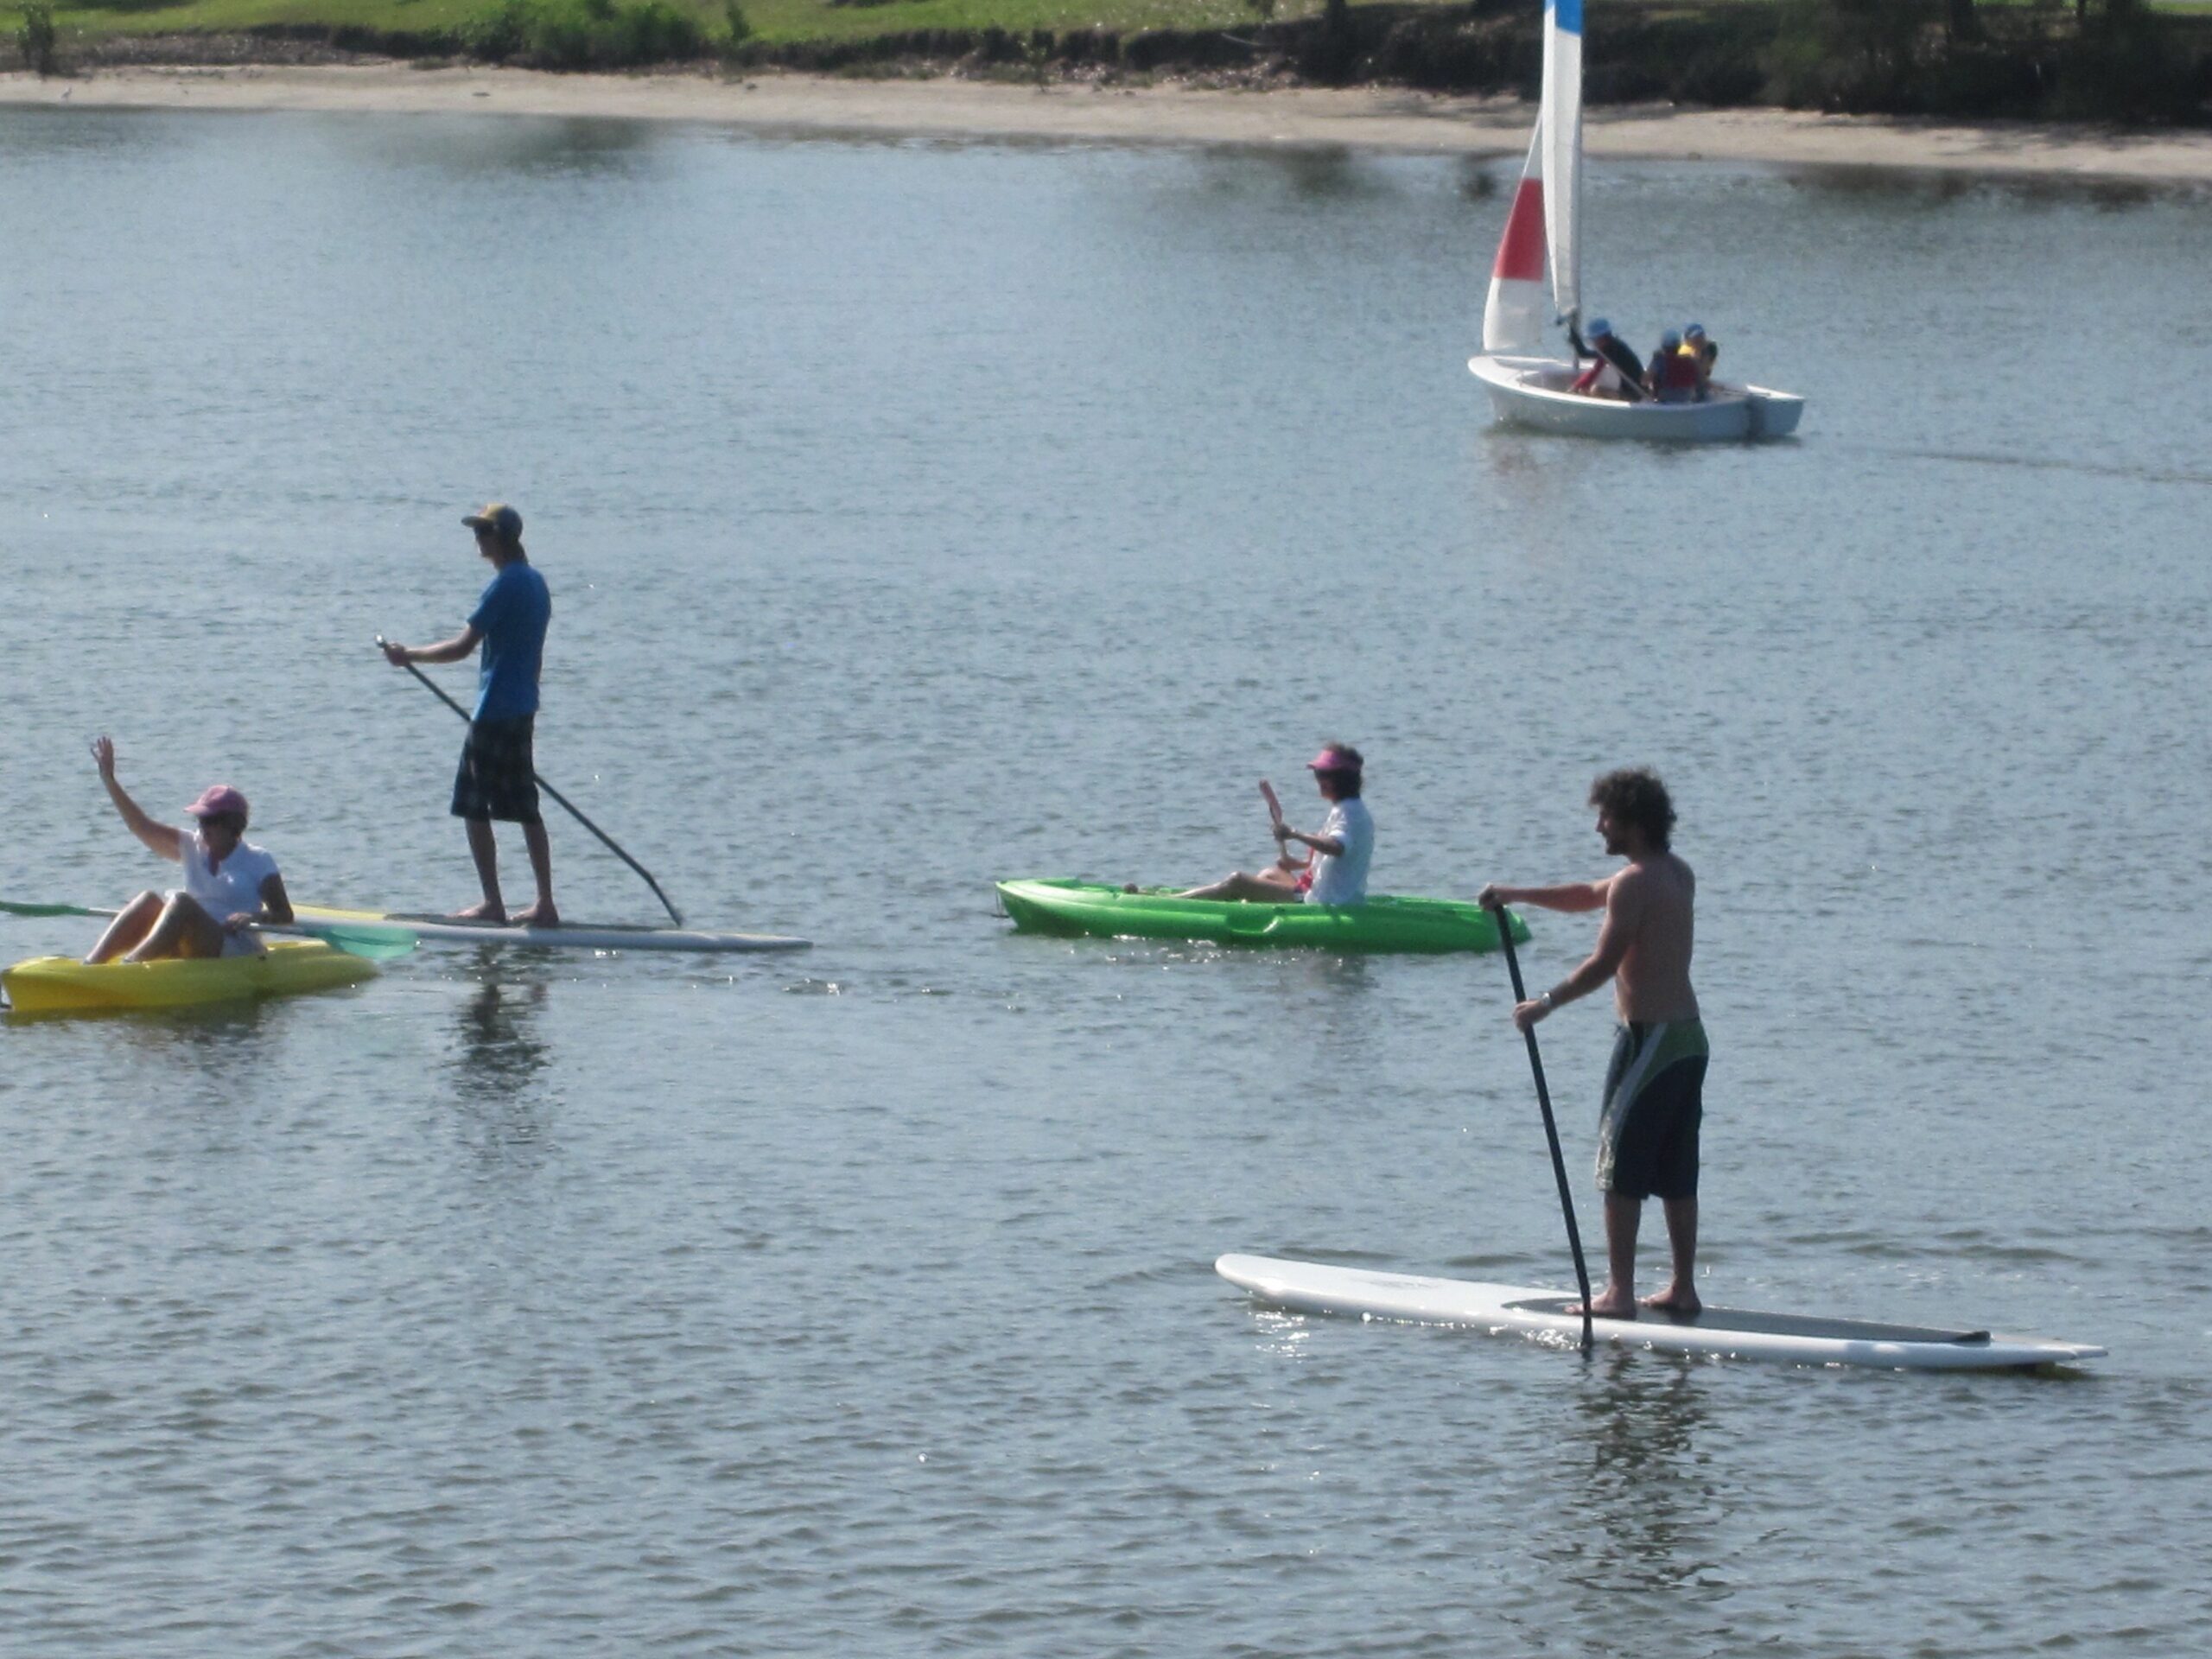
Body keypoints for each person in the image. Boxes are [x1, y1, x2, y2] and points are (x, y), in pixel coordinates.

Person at [1478, 767, 1706, 1320]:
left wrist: (1545, 1004)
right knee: (1676, 1169)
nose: (1599, 827)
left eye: (1605, 817)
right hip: (1689, 1040)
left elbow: (1605, 963)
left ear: (1631, 821)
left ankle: (1618, 1295)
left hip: (1649, 1042)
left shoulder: (1634, 883)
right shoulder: (1674, 872)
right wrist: (1516, 895)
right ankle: (1682, 1288)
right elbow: (1586, 895)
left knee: (1619, 1166)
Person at [383, 502, 559, 926]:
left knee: (473, 805)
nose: (477, 539)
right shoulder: (536, 584)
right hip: (522, 708)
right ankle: (545, 903)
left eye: (482, 531)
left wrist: (410, 656)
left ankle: (493, 904)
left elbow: (462, 648)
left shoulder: (505, 586)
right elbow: (533, 658)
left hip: (496, 709)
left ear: (501, 536)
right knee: (525, 806)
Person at [84, 736, 294, 963]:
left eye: (208, 820)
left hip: (235, 946)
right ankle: (91, 965)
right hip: (193, 939)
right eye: (199, 819)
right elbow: (140, 826)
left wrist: (253, 916)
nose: (202, 827)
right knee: (148, 901)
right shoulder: (191, 845)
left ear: (232, 824)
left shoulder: (258, 860)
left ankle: (131, 965)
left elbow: (284, 914)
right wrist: (109, 781)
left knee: (181, 903)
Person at [1177, 744, 1374, 906]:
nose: (1319, 781)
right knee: (1269, 874)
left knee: (1237, 881)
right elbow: (1341, 860)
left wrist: (1294, 834)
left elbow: (1336, 848)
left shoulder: (1350, 813)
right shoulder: (1347, 808)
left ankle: (1174, 904)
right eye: (1318, 775)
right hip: (1321, 891)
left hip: (1328, 901)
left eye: (1324, 775)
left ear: (1342, 780)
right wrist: (1297, 864)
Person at [1567, 317, 1645, 401]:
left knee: (1595, 390)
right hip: (1633, 391)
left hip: (1635, 395)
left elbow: (1583, 354)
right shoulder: (1613, 347)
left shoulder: (1612, 350)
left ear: (1602, 338)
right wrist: (1576, 387)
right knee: (1589, 390)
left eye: (1594, 340)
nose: (1593, 343)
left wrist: (1575, 338)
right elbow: (1595, 370)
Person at [1650, 330, 1701, 404]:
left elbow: (1644, 381)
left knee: (1657, 374)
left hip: (1666, 398)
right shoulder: (1690, 360)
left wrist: (1654, 361)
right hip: (1687, 397)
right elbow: (1700, 380)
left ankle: (1655, 399)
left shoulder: (1660, 360)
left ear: (1663, 346)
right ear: (1679, 346)